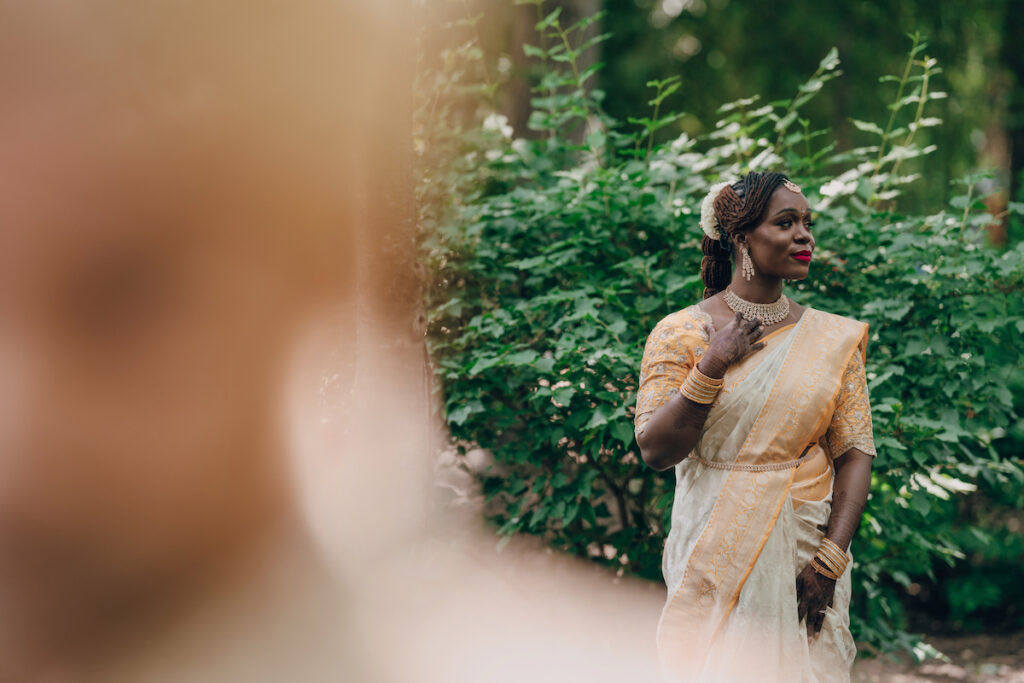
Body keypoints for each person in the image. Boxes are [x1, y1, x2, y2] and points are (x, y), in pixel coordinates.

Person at [634, 172, 876, 682]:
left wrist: (830, 561)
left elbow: (855, 454)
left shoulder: (832, 338)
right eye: (785, 222)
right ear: (741, 237)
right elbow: (655, 449)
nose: (805, 235)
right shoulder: (681, 333)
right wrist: (712, 365)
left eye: (807, 223)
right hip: (710, 546)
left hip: (806, 553)